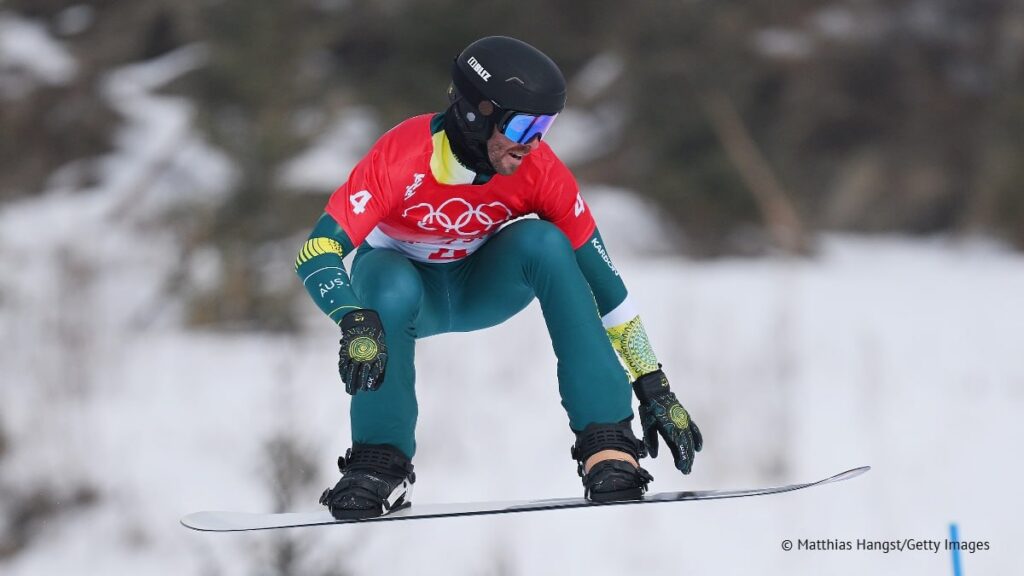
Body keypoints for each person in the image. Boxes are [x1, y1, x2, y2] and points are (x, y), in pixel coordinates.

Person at [296, 36, 702, 520]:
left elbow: (605, 283)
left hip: (479, 289)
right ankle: (379, 462)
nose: (533, 143)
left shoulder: (538, 169)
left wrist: (652, 381)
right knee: (385, 277)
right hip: (405, 297)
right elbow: (317, 250)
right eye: (525, 124)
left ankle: (607, 442)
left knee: (544, 243)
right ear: (476, 112)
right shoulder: (403, 154)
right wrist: (353, 318)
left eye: (546, 126)